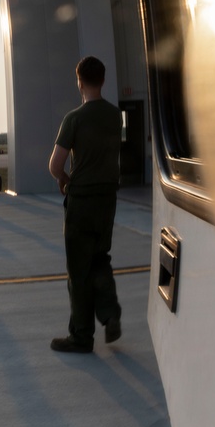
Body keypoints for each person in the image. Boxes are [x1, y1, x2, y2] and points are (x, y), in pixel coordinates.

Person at [47, 56, 123, 353]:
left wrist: (64, 179)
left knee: (78, 270)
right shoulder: (115, 116)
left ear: (79, 80)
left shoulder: (74, 118)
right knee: (100, 259)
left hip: (82, 200)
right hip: (108, 200)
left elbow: (55, 165)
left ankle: (81, 336)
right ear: (102, 80)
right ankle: (110, 314)